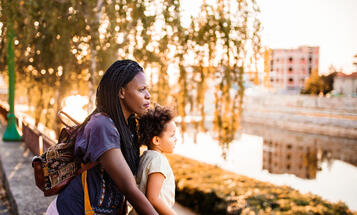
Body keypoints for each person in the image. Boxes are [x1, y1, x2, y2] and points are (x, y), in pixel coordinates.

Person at [45, 60, 158, 215]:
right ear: (121, 92)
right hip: (72, 210)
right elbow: (128, 187)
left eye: (147, 89)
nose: (148, 96)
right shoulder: (102, 125)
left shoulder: (127, 127)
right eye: (141, 89)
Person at [130, 105, 177, 215]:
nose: (176, 139)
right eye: (172, 135)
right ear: (156, 140)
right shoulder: (158, 161)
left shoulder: (146, 157)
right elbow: (153, 198)